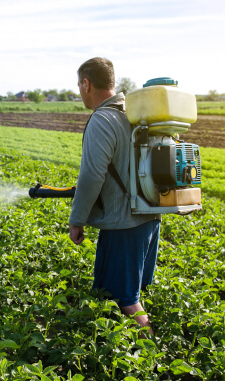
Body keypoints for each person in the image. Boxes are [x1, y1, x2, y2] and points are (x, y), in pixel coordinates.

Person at [69, 57, 161, 335]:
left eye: (78, 84)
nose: (78, 90)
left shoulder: (103, 119)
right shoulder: (135, 113)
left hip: (124, 224)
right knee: (120, 292)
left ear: (87, 83)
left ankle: (153, 359)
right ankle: (124, 352)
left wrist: (77, 219)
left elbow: (92, 176)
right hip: (148, 216)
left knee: (128, 301)